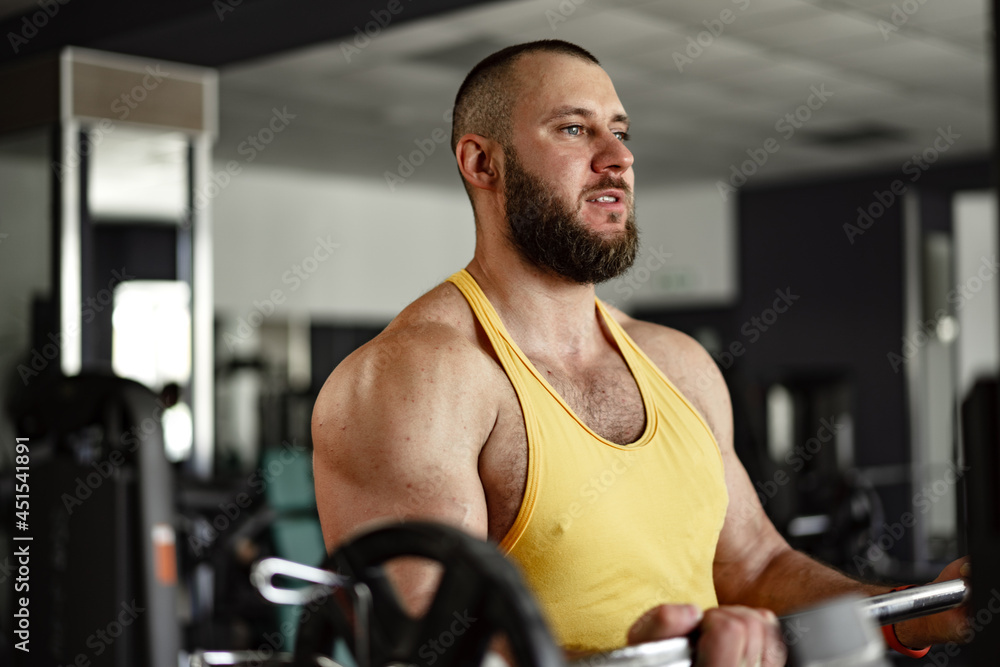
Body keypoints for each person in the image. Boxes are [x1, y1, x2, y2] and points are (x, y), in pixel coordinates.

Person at [312, 40, 969, 665]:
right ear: (484, 163)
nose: (617, 158)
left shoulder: (678, 363)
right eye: (574, 129)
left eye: (620, 132)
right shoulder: (418, 378)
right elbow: (430, 650)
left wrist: (918, 614)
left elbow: (755, 567)